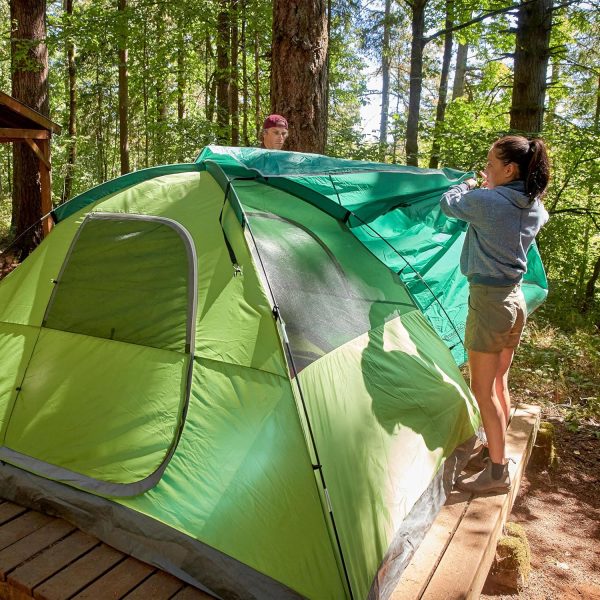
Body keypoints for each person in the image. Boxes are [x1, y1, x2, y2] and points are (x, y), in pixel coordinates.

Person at [440, 135, 550, 494]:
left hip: (489, 303)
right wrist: (485, 184)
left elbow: (448, 204)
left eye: (490, 164)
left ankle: (497, 472)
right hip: (514, 302)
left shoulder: (487, 202)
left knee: (482, 389)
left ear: (509, 169)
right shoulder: (533, 206)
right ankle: (495, 446)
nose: (486, 169)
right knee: (498, 383)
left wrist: (468, 183)